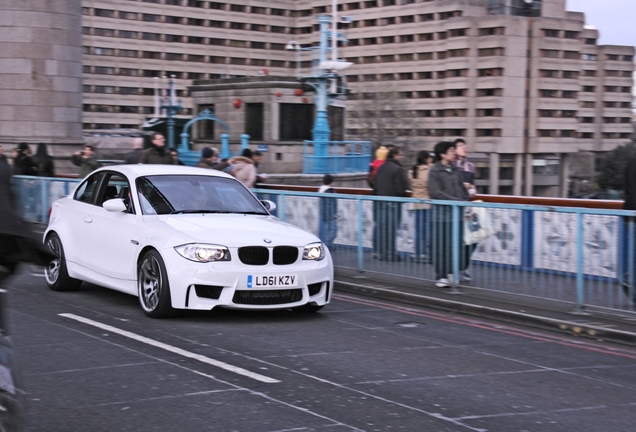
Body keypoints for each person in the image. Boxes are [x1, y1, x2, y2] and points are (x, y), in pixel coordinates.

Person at [428, 141, 471, 288]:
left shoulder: (455, 169)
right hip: (441, 216)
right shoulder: (434, 171)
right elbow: (435, 192)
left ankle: (453, 272)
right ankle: (441, 275)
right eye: (451, 150)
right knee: (441, 246)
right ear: (442, 154)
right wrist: (455, 201)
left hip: (457, 214)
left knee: (456, 245)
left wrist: (465, 200)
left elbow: (462, 188)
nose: (454, 153)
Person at [372, 147, 409, 262]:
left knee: (383, 228)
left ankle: (381, 252)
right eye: (400, 155)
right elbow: (401, 188)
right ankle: (391, 253)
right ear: (395, 156)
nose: (401, 157)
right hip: (393, 202)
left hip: (380, 201)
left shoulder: (381, 167)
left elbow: (374, 182)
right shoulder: (398, 169)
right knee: (392, 230)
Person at [410, 150, 434, 263]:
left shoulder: (412, 171)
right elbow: (431, 186)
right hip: (427, 203)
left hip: (416, 203)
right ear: (426, 159)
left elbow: (411, 186)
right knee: (428, 229)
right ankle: (427, 253)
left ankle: (418, 252)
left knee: (418, 230)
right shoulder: (429, 171)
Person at [318, 174, 338, 250]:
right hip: (330, 215)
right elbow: (330, 204)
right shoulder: (329, 191)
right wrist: (334, 214)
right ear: (331, 182)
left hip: (325, 214)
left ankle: (328, 245)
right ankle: (325, 246)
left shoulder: (322, 190)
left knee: (328, 231)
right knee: (334, 230)